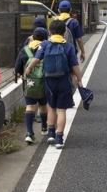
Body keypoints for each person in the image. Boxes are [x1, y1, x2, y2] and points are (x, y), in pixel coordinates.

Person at [25, 19, 84, 149]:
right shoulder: (68, 46)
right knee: (61, 110)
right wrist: (79, 79)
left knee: (51, 106)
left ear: (50, 32)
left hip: (49, 80)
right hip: (64, 80)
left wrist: (29, 68)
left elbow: (36, 58)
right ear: (64, 33)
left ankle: (50, 133)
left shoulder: (45, 44)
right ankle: (59, 137)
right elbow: (75, 65)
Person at [15, 27, 50, 143]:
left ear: (33, 37)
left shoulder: (25, 50)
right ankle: (44, 127)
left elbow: (18, 68)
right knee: (43, 104)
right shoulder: (46, 48)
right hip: (44, 81)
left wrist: (21, 74)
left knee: (30, 106)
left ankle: (29, 133)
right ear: (45, 38)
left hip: (29, 82)